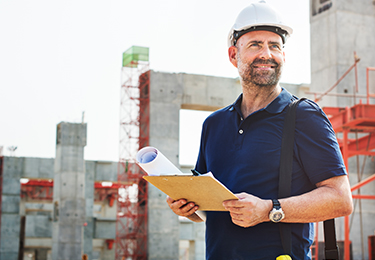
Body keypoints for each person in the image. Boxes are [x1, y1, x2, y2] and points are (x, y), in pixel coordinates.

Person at [166, 1, 353, 259]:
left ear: (283, 56)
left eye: (275, 45)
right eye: (255, 44)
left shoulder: (303, 116)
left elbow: (341, 200)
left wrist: (269, 209)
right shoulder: (214, 124)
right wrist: (188, 208)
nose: (267, 53)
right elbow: (207, 210)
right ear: (234, 55)